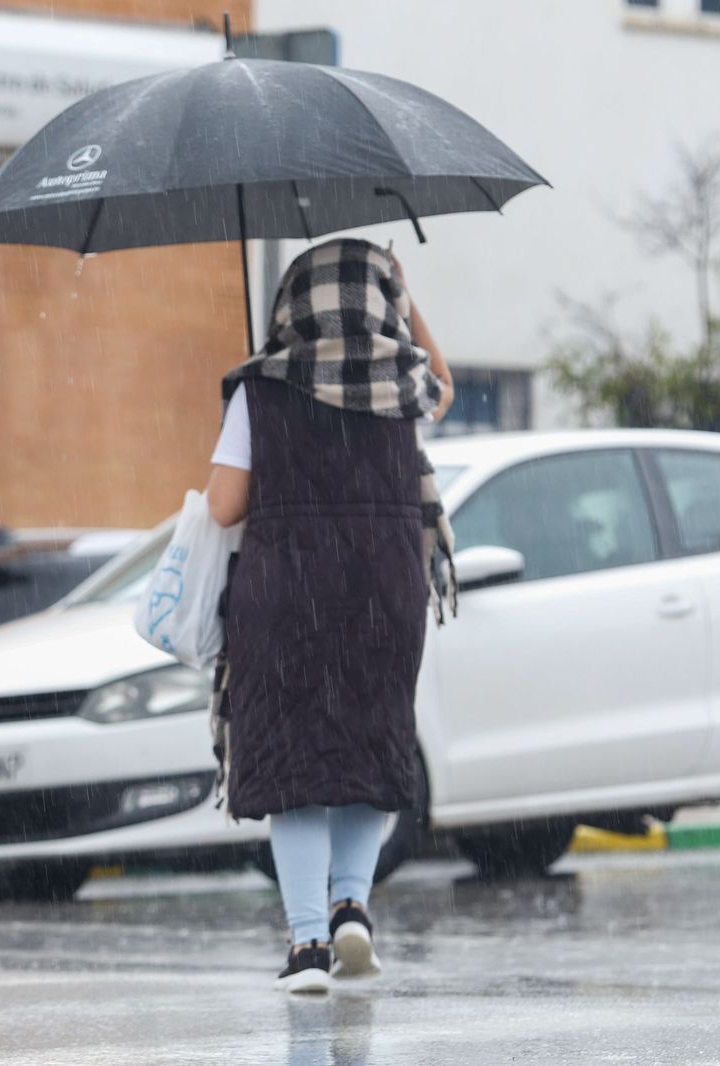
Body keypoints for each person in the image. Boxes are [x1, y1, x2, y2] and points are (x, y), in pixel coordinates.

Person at [204, 237, 456, 994]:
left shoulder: (261, 389)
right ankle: (353, 905)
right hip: (383, 593)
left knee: (295, 768)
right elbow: (443, 384)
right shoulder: (400, 386)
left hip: (288, 596)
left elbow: (223, 507)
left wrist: (265, 420)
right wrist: (406, 298)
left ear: (292, 304)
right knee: (364, 753)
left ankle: (309, 945)